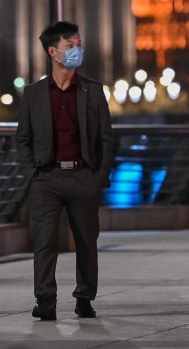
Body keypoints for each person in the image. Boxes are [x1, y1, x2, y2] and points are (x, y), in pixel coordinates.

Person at [15, 21, 115, 321]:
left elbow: (106, 137)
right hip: (46, 178)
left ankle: (84, 298)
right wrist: (32, 175)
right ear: (53, 51)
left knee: (86, 241)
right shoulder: (33, 93)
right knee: (44, 241)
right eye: (70, 45)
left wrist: (98, 177)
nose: (76, 50)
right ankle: (45, 299)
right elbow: (23, 138)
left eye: (79, 43)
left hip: (83, 176)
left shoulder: (92, 91)